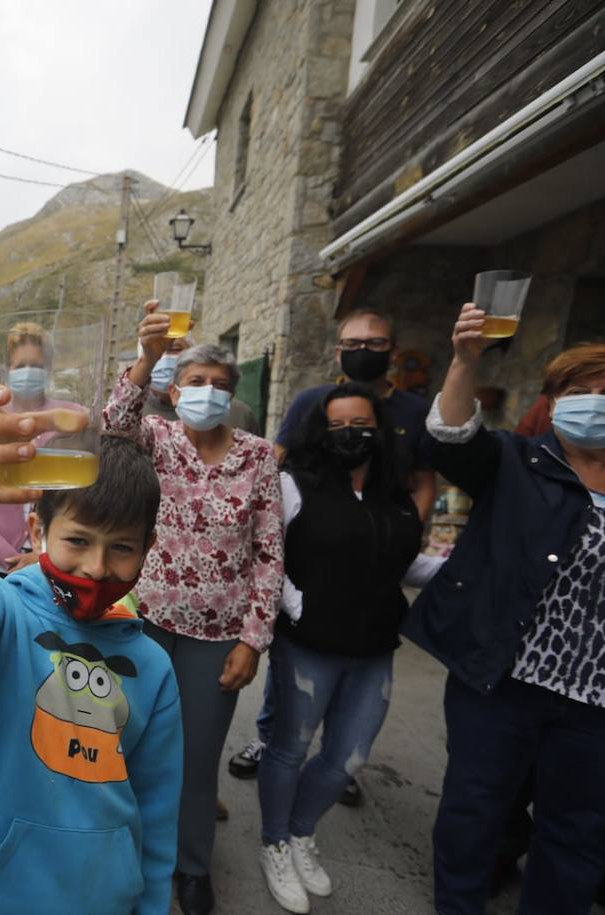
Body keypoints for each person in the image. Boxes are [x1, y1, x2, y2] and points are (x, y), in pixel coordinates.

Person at [0, 391, 183, 914]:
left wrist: (152, 904)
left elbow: (158, 811)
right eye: (77, 540)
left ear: (148, 547)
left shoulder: (154, 667)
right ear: (37, 530)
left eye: (121, 547)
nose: (96, 568)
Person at [406, 307, 605, 915]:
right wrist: (465, 360)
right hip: (501, 680)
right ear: (551, 402)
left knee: (577, 834)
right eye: (579, 392)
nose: (594, 404)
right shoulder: (516, 462)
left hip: (595, 699)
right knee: (474, 811)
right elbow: (451, 436)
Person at [104, 300, 284, 915]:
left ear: (234, 398)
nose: (208, 393)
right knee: (130, 740)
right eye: (196, 382)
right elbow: (112, 424)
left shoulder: (258, 456)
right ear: (175, 392)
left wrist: (253, 639)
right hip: (147, 620)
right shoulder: (157, 438)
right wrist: (147, 357)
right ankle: (125, 851)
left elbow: (268, 552)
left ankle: (192, 866)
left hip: (218, 634)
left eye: (220, 386)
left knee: (197, 757)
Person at [230, 309, 435, 799]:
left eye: (375, 341)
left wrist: (400, 533)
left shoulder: (414, 412)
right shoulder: (311, 402)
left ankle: (336, 759)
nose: (363, 350)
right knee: (294, 660)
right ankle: (269, 741)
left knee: (356, 667)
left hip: (375, 544)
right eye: (353, 341)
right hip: (313, 544)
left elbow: (424, 482)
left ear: (393, 347)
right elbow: (275, 460)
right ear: (338, 347)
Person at [255, 383, 443, 914]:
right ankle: (273, 842)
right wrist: (294, 604)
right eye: (337, 425)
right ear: (321, 431)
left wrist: (458, 571)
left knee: (347, 758)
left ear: (379, 430)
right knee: (289, 748)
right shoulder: (294, 485)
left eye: (360, 423)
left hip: (374, 647)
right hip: (310, 643)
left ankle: (299, 832)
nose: (350, 434)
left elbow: (398, 562)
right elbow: (268, 554)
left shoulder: (394, 496)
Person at [0, 320, 85, 575]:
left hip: (63, 564)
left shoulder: (72, 416)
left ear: (48, 369)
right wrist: (12, 558)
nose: (28, 372)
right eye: (20, 366)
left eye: (36, 366)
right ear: (8, 370)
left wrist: (45, 556)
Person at [143, 334, 261, 435]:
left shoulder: (240, 415)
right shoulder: (135, 416)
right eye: (196, 381)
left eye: (174, 349)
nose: (208, 390)